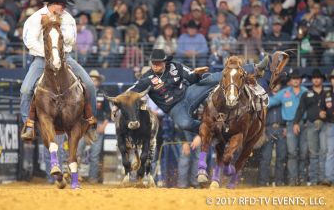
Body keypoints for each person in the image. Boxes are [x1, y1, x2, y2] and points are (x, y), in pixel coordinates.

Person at [127, 48, 284, 135]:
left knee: (211, 79)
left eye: (159, 63)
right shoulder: (146, 79)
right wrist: (119, 100)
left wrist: (197, 74)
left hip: (188, 93)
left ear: (164, 62)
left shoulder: (175, 66)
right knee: (184, 123)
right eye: (154, 63)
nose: (156, 66)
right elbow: (132, 92)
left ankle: (255, 68)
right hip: (174, 108)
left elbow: (192, 78)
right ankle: (211, 130)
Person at [20, 0, 97, 141]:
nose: (63, 8)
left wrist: (56, 27)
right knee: (26, 89)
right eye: (61, 5)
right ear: (52, 4)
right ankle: (28, 125)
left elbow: (71, 40)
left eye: (64, 5)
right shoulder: (35, 18)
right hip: (42, 59)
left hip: (65, 58)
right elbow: (29, 41)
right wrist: (49, 54)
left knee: (89, 84)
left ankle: (90, 123)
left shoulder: (68, 19)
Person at [268, 69, 308, 186]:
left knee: (303, 153)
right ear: (290, 81)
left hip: (304, 124)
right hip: (290, 125)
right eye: (293, 79)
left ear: (300, 80)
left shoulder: (306, 92)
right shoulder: (285, 93)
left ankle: (302, 179)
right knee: (292, 153)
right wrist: (258, 101)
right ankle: (292, 179)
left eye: (297, 78)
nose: (295, 80)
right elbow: (271, 101)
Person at [293, 69, 329, 185]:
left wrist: (326, 114)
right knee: (313, 153)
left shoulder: (328, 93)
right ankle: (314, 180)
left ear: (322, 79)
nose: (316, 79)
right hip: (311, 124)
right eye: (314, 77)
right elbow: (300, 109)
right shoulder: (306, 94)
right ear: (312, 80)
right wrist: (296, 123)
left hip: (325, 125)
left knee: (324, 151)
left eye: (318, 77)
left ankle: (323, 178)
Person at [258, 82, 287, 186]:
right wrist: (262, 130)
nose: (276, 86)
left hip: (282, 127)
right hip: (268, 128)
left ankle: (279, 182)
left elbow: (289, 112)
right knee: (266, 157)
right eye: (274, 84)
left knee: (281, 157)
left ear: (280, 85)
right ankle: (262, 182)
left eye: (278, 84)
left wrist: (287, 127)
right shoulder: (265, 98)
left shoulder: (285, 97)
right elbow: (260, 115)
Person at [87, 70, 110, 183]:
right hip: (83, 125)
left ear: (98, 81)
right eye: (91, 79)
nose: (93, 81)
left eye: (95, 79)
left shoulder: (102, 94)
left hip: (98, 124)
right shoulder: (82, 92)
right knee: (77, 151)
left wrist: (104, 125)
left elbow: (108, 112)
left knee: (95, 154)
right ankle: (73, 176)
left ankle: (93, 177)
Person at [321, 69, 334, 186]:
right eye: (333, 78)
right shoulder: (327, 94)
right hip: (330, 124)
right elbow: (322, 110)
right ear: (331, 80)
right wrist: (322, 114)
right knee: (330, 152)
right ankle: (329, 178)